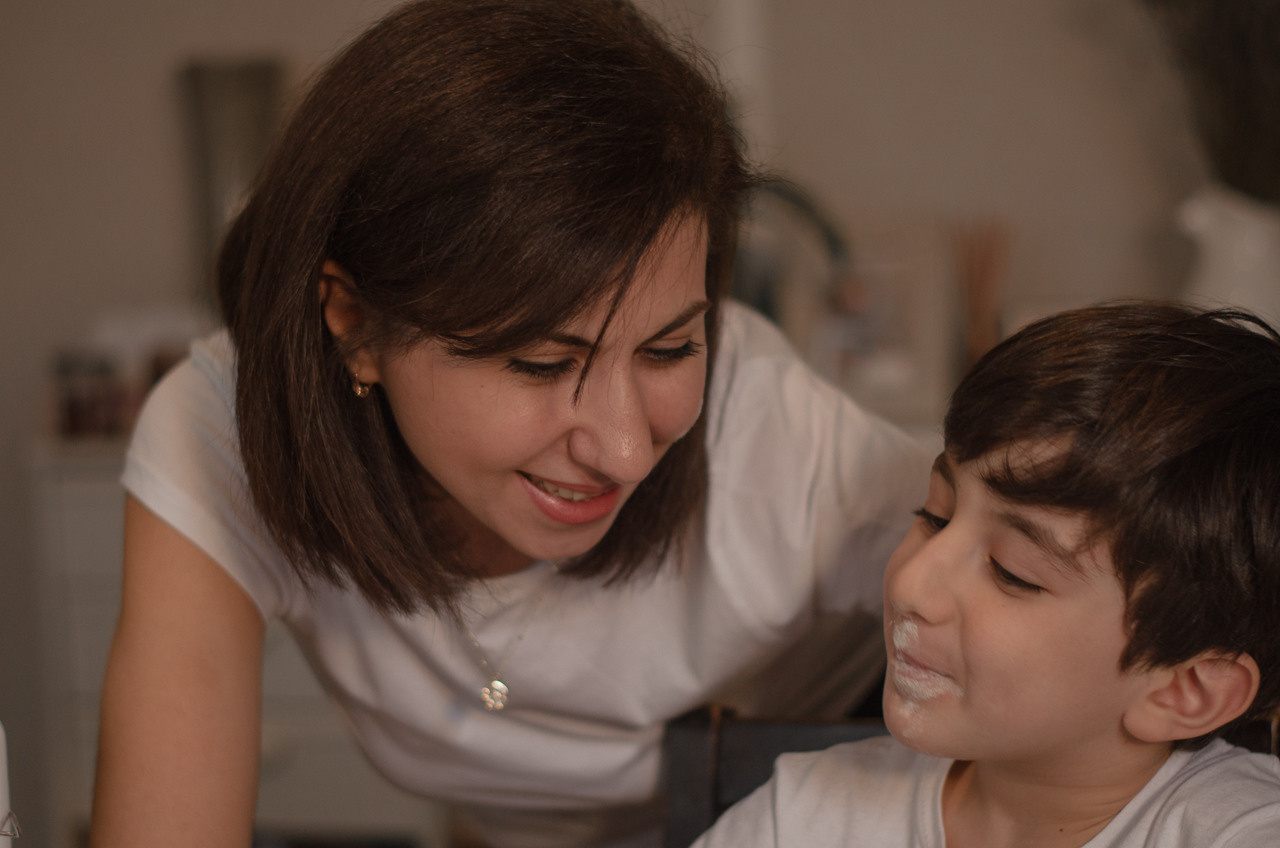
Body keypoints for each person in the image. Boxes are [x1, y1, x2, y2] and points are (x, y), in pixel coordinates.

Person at [87, 2, 929, 847]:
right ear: (353, 319)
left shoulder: (772, 437)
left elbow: (1046, 593)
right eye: (541, 365)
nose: (627, 452)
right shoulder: (226, 435)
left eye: (670, 350)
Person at [692, 300, 1280, 848]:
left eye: (1011, 572)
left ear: (1184, 690)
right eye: (934, 515)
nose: (910, 584)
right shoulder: (801, 814)